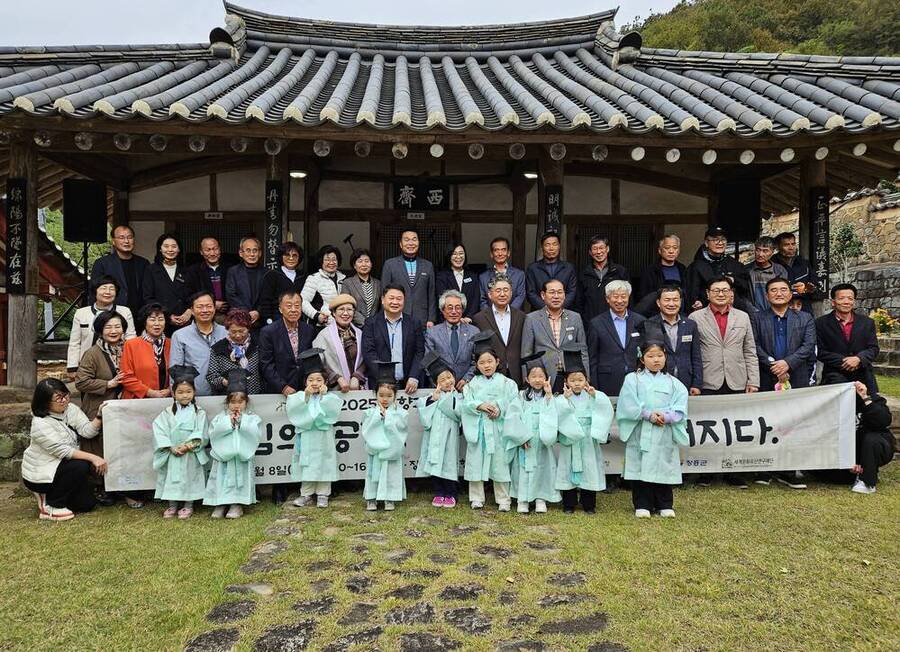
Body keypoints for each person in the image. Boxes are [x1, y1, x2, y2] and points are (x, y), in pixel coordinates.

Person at [689, 276, 759, 489]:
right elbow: (691, 353)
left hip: (737, 379)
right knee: (708, 427)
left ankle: (733, 471)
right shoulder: (695, 317)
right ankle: (707, 471)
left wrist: (753, 380)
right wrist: (694, 382)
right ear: (707, 294)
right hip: (708, 379)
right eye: (716, 290)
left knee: (735, 426)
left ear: (731, 294)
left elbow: (750, 350)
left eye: (725, 290)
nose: (721, 294)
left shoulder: (743, 317)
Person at [750, 276, 817, 490]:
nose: (778, 293)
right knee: (765, 422)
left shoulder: (804, 318)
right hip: (766, 376)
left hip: (796, 376)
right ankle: (764, 468)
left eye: (783, 290)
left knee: (792, 423)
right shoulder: (757, 318)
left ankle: (789, 470)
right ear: (766, 295)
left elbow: (808, 346)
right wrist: (773, 364)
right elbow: (753, 345)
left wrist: (788, 363)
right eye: (773, 290)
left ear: (790, 293)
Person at [616, 341, 690, 518]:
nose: (656, 360)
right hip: (641, 428)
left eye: (659, 355)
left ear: (665, 356)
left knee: (663, 464)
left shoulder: (674, 383)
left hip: (664, 430)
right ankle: (642, 504)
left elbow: (680, 407)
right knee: (641, 464)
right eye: (650, 356)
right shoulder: (633, 379)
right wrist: (648, 415)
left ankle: (664, 503)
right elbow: (627, 404)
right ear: (642, 359)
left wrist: (666, 417)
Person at [22, 378, 106, 521]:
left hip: (61, 467)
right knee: (81, 465)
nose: (64, 400)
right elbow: (64, 451)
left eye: (66, 395)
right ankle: (51, 505)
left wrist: (99, 416)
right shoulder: (40, 424)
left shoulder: (70, 409)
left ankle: (57, 496)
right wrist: (94, 457)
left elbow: (87, 431)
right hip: (42, 474)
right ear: (45, 401)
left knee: (87, 505)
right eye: (58, 398)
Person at [460, 332, 526, 511]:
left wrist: (499, 408)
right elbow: (466, 403)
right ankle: (476, 497)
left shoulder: (508, 383)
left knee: (500, 463)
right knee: (476, 462)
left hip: (499, 428)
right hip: (480, 427)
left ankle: (503, 499)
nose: (486, 365)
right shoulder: (472, 384)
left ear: (497, 362)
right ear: (477, 365)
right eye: (482, 362)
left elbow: (514, 403)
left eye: (490, 361)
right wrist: (479, 405)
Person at [74, 310, 127, 505]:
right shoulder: (93, 353)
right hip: (99, 406)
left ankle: (121, 485)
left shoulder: (129, 348)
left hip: (124, 406)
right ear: (100, 330)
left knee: (121, 446)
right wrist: (108, 384)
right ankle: (100, 486)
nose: (113, 331)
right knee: (99, 446)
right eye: (108, 327)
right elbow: (81, 382)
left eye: (117, 326)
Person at [555, 348, 614, 514]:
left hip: (588, 438)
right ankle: (569, 503)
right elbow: (558, 414)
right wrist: (564, 400)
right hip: (571, 439)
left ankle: (589, 504)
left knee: (590, 468)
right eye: (572, 380)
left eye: (580, 380)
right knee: (568, 467)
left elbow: (605, 409)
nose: (577, 383)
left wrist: (595, 396)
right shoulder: (561, 398)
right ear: (566, 382)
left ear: (586, 380)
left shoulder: (593, 395)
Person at [286, 349, 343, 508]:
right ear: (305, 382)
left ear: (325, 382)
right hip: (307, 437)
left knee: (325, 462)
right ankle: (306, 494)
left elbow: (331, 415)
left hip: (324, 437)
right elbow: (294, 412)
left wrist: (324, 397)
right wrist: (305, 396)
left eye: (319, 379)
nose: (315, 383)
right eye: (310, 380)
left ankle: (323, 494)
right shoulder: (299, 397)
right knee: (307, 464)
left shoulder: (331, 398)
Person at [151, 365, 208, 519]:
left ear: (194, 392)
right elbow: (159, 429)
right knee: (172, 478)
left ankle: (188, 505)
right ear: (174, 393)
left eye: (188, 391)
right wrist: (170, 447)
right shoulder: (167, 412)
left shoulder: (199, 412)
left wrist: (188, 445)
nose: (185, 395)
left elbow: (202, 432)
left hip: (190, 452)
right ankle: (172, 505)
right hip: (173, 451)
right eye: (180, 392)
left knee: (190, 477)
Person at [204, 369, 262, 519]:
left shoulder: (252, 418)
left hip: (240, 457)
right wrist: (228, 422)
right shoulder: (221, 417)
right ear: (227, 402)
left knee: (239, 480)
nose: (237, 405)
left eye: (240, 402)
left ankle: (237, 504)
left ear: (246, 402)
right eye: (233, 402)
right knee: (221, 479)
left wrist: (242, 422)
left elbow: (255, 434)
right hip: (224, 457)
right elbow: (213, 433)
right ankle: (220, 503)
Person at [510, 353, 560, 514]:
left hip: (542, 441)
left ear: (547, 378)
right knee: (524, 469)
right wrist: (521, 437)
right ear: (527, 379)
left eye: (541, 376)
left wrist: (549, 395)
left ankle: (540, 498)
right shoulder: (520, 396)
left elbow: (554, 416)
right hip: (526, 440)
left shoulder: (551, 397)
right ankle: (523, 499)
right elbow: (513, 417)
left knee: (542, 469)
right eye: (534, 376)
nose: (537, 380)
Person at [522, 279, 589, 392]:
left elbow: (583, 351)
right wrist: (527, 382)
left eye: (560, 292)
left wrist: (586, 378)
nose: (556, 296)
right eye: (552, 292)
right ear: (543, 295)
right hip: (544, 376)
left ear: (564, 295)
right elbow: (526, 353)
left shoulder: (575, 317)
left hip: (571, 376)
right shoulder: (532, 318)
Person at [815, 283, 879, 396]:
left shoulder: (867, 322)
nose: (846, 302)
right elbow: (819, 351)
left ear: (854, 301)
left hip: (864, 375)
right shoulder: (820, 323)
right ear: (833, 302)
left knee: (873, 406)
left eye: (850, 298)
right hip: (834, 376)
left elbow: (873, 348)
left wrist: (859, 358)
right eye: (841, 298)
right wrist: (844, 361)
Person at [361, 361, 410, 511]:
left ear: (395, 395)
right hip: (376, 452)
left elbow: (401, 429)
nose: (385, 399)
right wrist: (378, 416)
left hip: (391, 451)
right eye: (381, 395)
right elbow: (366, 430)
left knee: (391, 474)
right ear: (375, 394)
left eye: (389, 395)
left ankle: (390, 497)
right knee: (373, 474)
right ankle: (371, 498)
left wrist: (388, 417)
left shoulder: (401, 413)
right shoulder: (370, 412)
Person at [416, 352, 462, 508]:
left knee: (449, 463)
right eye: (442, 380)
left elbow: (459, 414)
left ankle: (451, 493)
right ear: (436, 383)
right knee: (435, 463)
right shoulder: (431, 397)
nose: (448, 381)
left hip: (450, 437)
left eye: (449, 377)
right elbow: (425, 421)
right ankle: (439, 492)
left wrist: (448, 399)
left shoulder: (459, 397)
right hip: (434, 437)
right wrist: (432, 400)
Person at [637, 286, 702, 395]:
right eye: (667, 300)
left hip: (686, 381)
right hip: (658, 382)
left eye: (675, 300)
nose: (671, 304)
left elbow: (696, 357)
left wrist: (697, 384)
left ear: (680, 302)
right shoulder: (649, 324)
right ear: (658, 303)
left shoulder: (690, 325)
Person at [66, 276, 136, 377]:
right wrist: (72, 367)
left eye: (112, 289)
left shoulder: (124, 311)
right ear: (95, 291)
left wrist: (133, 361)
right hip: (88, 363)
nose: (108, 292)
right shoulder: (81, 313)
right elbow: (75, 342)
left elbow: (131, 338)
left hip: (118, 363)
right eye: (103, 288)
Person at [361, 285, 424, 394]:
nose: (395, 302)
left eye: (399, 299)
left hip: (408, 385)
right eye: (391, 298)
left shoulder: (414, 323)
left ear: (404, 301)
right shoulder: (371, 323)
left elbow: (420, 352)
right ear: (382, 300)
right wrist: (384, 379)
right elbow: (368, 353)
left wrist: (414, 376)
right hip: (380, 385)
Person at [587, 280, 646, 396]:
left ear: (628, 297)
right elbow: (592, 358)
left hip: (637, 379)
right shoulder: (596, 323)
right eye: (615, 297)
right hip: (607, 380)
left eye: (623, 296)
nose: (619, 300)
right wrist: (594, 386)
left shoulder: (640, 321)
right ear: (607, 299)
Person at [258, 290, 317, 395]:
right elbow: (266, 364)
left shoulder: (309, 330)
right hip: (278, 390)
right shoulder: (268, 332)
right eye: (289, 306)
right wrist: (283, 387)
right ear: (280, 309)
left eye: (297, 306)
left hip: (304, 389)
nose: (293, 310)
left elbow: (312, 360)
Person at [472, 274, 527, 385]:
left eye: (506, 290)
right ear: (490, 294)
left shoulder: (522, 316)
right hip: (491, 374)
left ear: (511, 293)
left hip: (517, 372)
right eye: (498, 290)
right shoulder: (479, 318)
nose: (502, 294)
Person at [169, 291, 227, 397]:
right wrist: (178, 395)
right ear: (192, 310)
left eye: (208, 306)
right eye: (200, 307)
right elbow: (176, 370)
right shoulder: (180, 335)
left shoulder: (226, 333)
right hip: (194, 397)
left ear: (214, 308)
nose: (205, 310)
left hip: (225, 397)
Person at [685, 226, 752, 312]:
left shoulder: (734, 264)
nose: (720, 243)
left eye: (723, 240)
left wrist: (733, 280)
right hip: (706, 312)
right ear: (706, 243)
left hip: (733, 311)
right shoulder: (696, 266)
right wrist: (697, 302)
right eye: (715, 240)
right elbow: (691, 293)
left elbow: (746, 286)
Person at [90, 224, 150, 318]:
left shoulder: (143, 263)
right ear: (113, 241)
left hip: (139, 315)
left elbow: (148, 291)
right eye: (121, 238)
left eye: (129, 237)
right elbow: (93, 292)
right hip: (111, 315)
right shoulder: (102, 263)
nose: (126, 241)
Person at [380, 229, 436, 327]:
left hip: (422, 319)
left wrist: (431, 319)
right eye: (406, 240)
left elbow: (431, 294)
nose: (411, 243)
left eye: (414, 239)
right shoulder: (390, 264)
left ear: (418, 243)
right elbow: (384, 293)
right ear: (401, 244)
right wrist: (385, 317)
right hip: (396, 317)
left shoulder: (428, 265)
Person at [424, 290, 479, 390]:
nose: (454, 311)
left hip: (468, 387)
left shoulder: (474, 332)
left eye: (458, 307)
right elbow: (429, 362)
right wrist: (442, 383)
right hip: (441, 389)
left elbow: (478, 360)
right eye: (450, 308)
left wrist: (467, 379)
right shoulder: (432, 333)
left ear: (462, 310)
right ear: (442, 310)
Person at [311, 294, 367, 392]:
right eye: (341, 309)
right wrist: (337, 378)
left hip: (359, 389)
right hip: (335, 389)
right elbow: (317, 363)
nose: (345, 313)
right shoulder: (323, 336)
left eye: (349, 310)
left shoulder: (360, 334)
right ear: (333, 313)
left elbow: (366, 359)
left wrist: (357, 376)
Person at [849, 381, 895, 494]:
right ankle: (855, 473)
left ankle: (867, 481)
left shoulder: (874, 399)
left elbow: (883, 421)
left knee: (872, 439)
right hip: (847, 454)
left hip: (872, 447)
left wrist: (865, 398)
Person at [142, 233, 191, 336]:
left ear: (179, 249)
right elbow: (148, 297)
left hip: (185, 322)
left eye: (174, 246)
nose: (170, 250)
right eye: (166, 246)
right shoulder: (151, 270)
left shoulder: (187, 270)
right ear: (160, 249)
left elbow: (194, 295)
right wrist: (167, 316)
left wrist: (189, 311)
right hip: (161, 322)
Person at [120, 302, 172, 400]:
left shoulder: (172, 344)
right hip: (137, 400)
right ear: (145, 322)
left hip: (166, 399)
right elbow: (126, 376)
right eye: (152, 319)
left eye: (161, 319)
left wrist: (170, 390)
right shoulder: (131, 344)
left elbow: (180, 372)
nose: (157, 323)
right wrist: (149, 392)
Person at [206, 308, 263, 396]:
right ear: (227, 330)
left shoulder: (258, 345)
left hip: (255, 395)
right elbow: (211, 376)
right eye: (233, 332)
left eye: (242, 331)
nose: (238, 335)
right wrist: (225, 382)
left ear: (248, 328)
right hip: (229, 397)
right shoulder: (218, 349)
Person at [578, 235, 630, 323]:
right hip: (591, 322)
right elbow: (579, 302)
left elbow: (628, 298)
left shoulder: (620, 271)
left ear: (607, 249)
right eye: (595, 249)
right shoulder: (584, 274)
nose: (599, 252)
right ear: (590, 252)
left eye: (601, 248)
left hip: (615, 321)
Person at [526, 231, 578, 310]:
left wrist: (558, 308)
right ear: (542, 247)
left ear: (559, 246)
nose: (551, 248)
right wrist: (547, 309)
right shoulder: (533, 268)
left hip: (564, 311)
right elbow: (530, 293)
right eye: (547, 245)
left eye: (554, 244)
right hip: (539, 312)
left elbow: (572, 292)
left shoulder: (569, 268)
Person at [258, 241, 306, 325]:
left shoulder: (303, 276)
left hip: (299, 320)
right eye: (287, 255)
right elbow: (265, 301)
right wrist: (269, 321)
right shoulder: (272, 275)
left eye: (294, 255)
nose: (291, 258)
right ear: (281, 257)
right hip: (277, 320)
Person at [637, 234, 687, 313]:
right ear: (660, 251)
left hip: (679, 312)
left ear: (678, 251)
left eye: (675, 248)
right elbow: (645, 296)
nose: (671, 251)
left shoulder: (682, 269)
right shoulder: (650, 270)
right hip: (655, 313)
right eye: (667, 248)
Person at [184, 236, 230, 321]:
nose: (212, 253)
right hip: (203, 314)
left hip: (228, 315)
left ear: (220, 250)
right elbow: (189, 295)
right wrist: (212, 303)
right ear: (201, 252)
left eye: (215, 249)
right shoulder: (193, 271)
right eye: (208, 250)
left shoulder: (230, 269)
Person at [225, 236, 266, 328]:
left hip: (261, 320)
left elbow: (268, 297)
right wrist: (246, 313)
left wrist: (258, 312)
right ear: (241, 253)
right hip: (239, 319)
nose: (252, 254)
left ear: (260, 253)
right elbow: (231, 295)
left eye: (255, 250)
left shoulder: (267, 273)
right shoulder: (233, 271)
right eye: (248, 250)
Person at [773, 231, 819, 313]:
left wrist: (805, 288)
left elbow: (815, 286)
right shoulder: (771, 265)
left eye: (793, 244)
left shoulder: (804, 263)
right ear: (777, 247)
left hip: (803, 309)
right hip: (780, 310)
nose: (791, 248)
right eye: (786, 245)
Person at [301, 245, 347, 327]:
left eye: (334, 259)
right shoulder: (314, 278)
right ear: (321, 261)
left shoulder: (344, 278)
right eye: (327, 260)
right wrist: (316, 315)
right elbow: (302, 301)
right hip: (322, 325)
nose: (331, 263)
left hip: (342, 324)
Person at [435, 241, 479, 322]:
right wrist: (457, 318)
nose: (458, 257)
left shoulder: (472, 276)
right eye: (454, 254)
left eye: (461, 253)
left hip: (469, 322)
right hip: (448, 321)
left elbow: (476, 300)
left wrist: (469, 317)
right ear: (449, 256)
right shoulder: (441, 277)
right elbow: (441, 300)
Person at [478, 237, 526, 310]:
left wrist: (508, 313)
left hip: (514, 314)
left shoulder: (519, 275)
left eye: (503, 250)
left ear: (508, 253)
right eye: (496, 250)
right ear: (491, 254)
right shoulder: (483, 277)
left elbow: (520, 296)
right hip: (490, 316)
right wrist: (492, 314)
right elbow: (482, 300)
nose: (500, 253)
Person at [745, 236, 788, 311]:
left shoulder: (779, 271)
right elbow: (742, 295)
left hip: (774, 312)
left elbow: (783, 294)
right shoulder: (746, 270)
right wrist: (752, 310)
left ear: (772, 252)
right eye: (758, 250)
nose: (760, 254)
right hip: (753, 313)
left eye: (765, 251)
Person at [343, 248, 382, 329]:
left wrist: (374, 323)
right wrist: (365, 323)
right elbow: (347, 306)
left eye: (367, 261)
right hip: (354, 327)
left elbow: (381, 307)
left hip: (375, 327)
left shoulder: (378, 284)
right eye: (360, 261)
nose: (364, 264)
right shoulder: (347, 283)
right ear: (354, 265)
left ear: (371, 264)